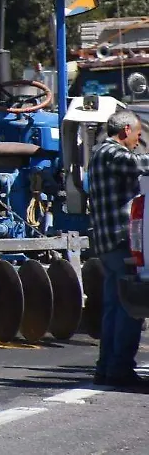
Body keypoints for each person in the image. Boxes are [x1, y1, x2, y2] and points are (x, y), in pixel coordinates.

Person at [86, 108, 149, 387]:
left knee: (114, 305)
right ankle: (120, 368)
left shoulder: (99, 154)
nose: (137, 140)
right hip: (121, 239)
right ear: (125, 131)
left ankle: (106, 367)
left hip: (107, 242)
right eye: (137, 134)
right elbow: (140, 165)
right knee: (128, 307)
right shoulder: (111, 153)